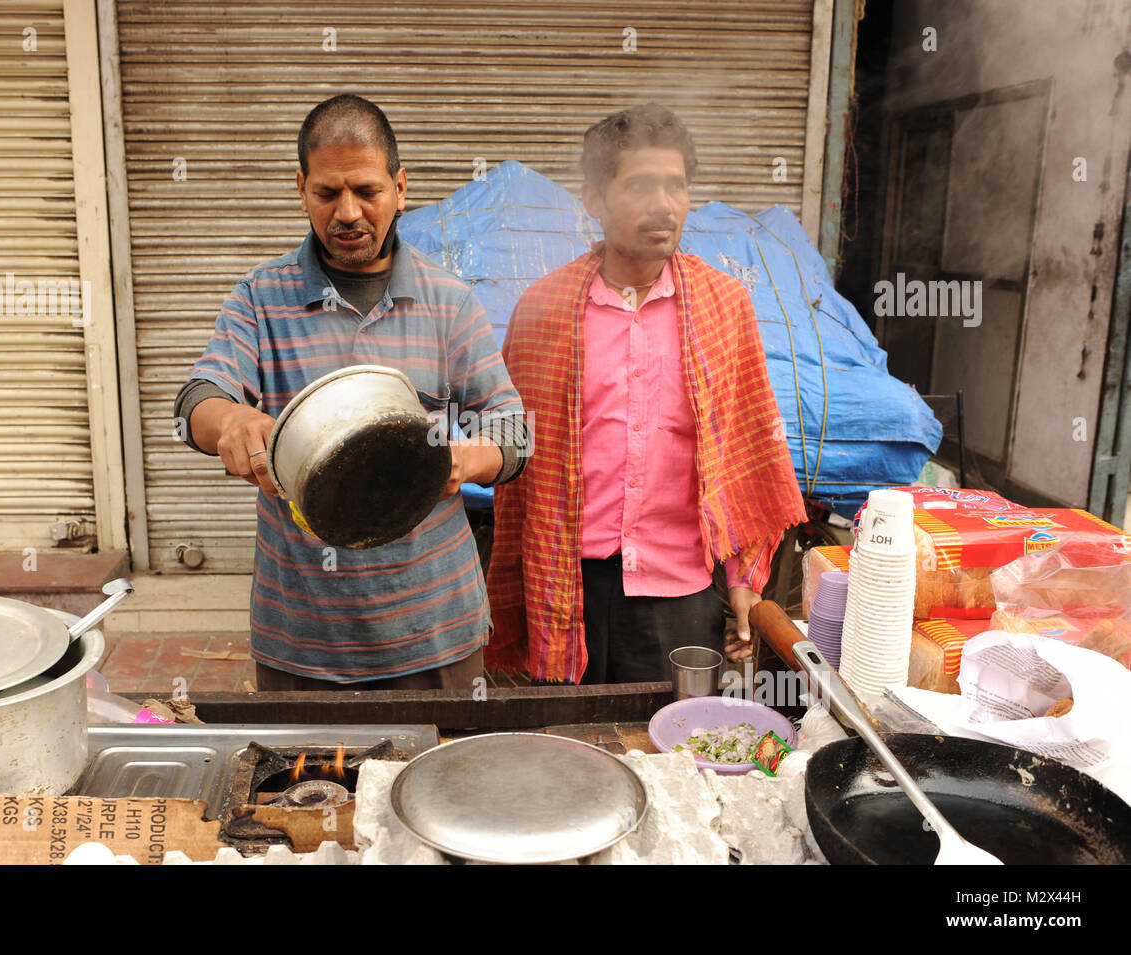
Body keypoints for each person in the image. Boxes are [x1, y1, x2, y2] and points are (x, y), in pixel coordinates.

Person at [174, 94, 528, 690]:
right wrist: (230, 421)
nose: (348, 212)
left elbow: (513, 426)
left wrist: (460, 461)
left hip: (436, 635)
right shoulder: (262, 296)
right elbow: (197, 399)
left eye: (367, 190)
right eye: (327, 193)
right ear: (301, 188)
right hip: (301, 640)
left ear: (400, 188)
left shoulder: (449, 302)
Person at [486, 104, 804, 685]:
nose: (664, 204)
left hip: (681, 593)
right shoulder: (545, 310)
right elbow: (510, 456)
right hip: (566, 586)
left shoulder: (722, 308)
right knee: (573, 759)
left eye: (677, 185)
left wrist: (741, 582)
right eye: (640, 185)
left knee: (671, 760)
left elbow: (743, 455)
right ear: (594, 198)